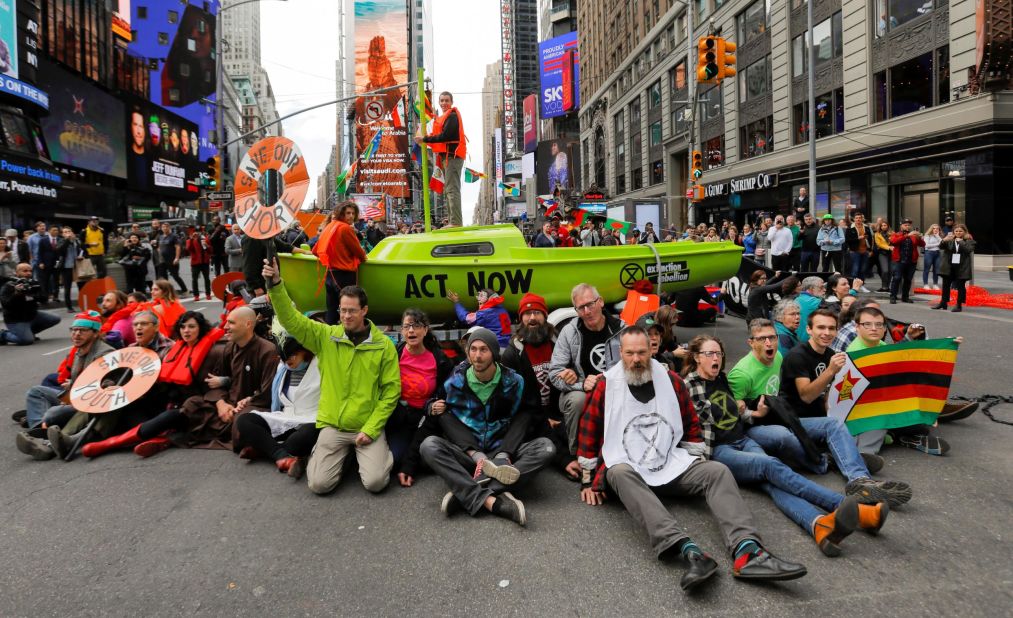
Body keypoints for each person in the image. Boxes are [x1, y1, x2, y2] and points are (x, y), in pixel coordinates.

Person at [577, 327, 808, 590]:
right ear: (621, 353)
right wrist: (588, 480)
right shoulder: (607, 384)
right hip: (631, 470)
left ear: (651, 350)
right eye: (629, 353)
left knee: (716, 471)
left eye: (642, 352)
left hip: (667, 461)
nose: (636, 359)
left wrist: (695, 456)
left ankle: (748, 552)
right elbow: (590, 428)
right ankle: (688, 550)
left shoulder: (671, 379)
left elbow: (690, 422)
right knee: (616, 472)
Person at [684, 334, 886, 557]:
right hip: (721, 452)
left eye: (719, 353)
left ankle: (819, 525)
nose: (716, 358)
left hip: (743, 440)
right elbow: (689, 422)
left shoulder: (720, 379)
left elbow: (731, 416)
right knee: (772, 466)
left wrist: (753, 413)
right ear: (696, 358)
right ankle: (854, 510)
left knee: (774, 483)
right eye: (709, 354)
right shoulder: (689, 385)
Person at [264, 258, 400, 495]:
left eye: (352, 311)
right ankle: (342, 459)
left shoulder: (383, 346)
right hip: (333, 426)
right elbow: (291, 320)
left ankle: (361, 457)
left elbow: (391, 391)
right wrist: (276, 284)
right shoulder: (326, 336)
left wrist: (371, 428)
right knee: (319, 485)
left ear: (365, 310)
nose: (346, 316)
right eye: (342, 310)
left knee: (376, 483)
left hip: (366, 426)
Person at [419, 327, 554, 525]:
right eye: (473, 349)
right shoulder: (455, 380)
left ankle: (465, 493)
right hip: (469, 455)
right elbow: (434, 404)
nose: (477, 355)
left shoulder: (515, 381)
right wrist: (430, 406)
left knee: (546, 447)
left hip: (504, 453)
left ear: (493, 353)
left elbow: (528, 414)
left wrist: (504, 454)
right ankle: (494, 501)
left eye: (484, 350)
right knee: (428, 445)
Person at [846, 306, 954, 456]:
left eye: (879, 325)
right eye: (867, 324)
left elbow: (900, 364)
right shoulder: (855, 353)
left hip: (886, 401)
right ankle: (865, 457)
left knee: (920, 423)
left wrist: (947, 345)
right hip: (865, 409)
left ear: (885, 328)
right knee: (875, 426)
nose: (874, 328)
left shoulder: (880, 346)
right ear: (857, 327)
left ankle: (898, 436)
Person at [501, 293, 576, 478]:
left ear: (545, 316)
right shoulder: (512, 354)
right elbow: (515, 403)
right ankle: (565, 460)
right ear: (521, 318)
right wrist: (544, 419)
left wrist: (572, 374)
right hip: (528, 417)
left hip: (558, 412)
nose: (532, 317)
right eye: (527, 313)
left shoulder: (559, 343)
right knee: (547, 434)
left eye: (537, 312)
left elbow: (573, 373)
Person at [548, 283, 625, 457]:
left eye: (590, 304)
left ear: (601, 302)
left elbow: (635, 364)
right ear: (576, 311)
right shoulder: (569, 332)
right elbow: (554, 373)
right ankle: (577, 454)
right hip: (582, 390)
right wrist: (581, 384)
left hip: (616, 387)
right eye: (581, 308)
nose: (587, 311)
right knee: (577, 400)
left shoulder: (621, 329)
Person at [14, 311, 111, 444]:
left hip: (90, 401)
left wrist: (71, 396)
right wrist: (70, 389)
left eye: (83, 330)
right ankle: (39, 430)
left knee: (52, 414)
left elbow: (103, 386)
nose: (76, 334)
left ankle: (46, 433)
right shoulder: (79, 349)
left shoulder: (104, 353)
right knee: (36, 392)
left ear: (95, 333)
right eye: (74, 330)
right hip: (75, 396)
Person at [232, 336, 322, 477]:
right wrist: (250, 399)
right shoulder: (282, 368)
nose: (288, 361)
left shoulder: (322, 366)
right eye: (283, 357)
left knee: (301, 438)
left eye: (292, 355)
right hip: (286, 417)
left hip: (312, 418)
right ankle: (282, 455)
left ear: (305, 350)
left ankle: (266, 450)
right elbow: (268, 392)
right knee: (244, 420)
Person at [385, 308, 453, 467]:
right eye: (406, 326)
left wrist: (437, 404)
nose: (411, 330)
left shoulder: (439, 358)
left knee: (426, 460)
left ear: (425, 330)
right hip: (401, 416)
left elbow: (448, 390)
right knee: (395, 460)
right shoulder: (395, 353)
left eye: (416, 326)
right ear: (401, 331)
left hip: (428, 416)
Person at [313, 201, 368, 324]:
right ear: (340, 213)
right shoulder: (345, 228)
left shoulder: (329, 227)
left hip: (330, 275)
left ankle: (330, 339)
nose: (351, 216)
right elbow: (360, 253)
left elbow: (315, 250)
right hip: (345, 275)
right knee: (350, 311)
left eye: (353, 213)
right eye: (348, 213)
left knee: (332, 312)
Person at [416, 91, 466, 226]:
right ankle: (452, 221)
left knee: (452, 189)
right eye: (442, 100)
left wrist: (425, 139)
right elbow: (440, 135)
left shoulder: (453, 116)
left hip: (452, 156)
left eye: (446, 100)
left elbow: (446, 136)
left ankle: (455, 222)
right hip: (448, 157)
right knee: (449, 189)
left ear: (451, 102)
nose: (444, 103)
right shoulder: (445, 117)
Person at [0, 263, 60, 345]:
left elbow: (44, 299)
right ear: (16, 273)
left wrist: (33, 292)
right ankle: (3, 335)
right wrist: (17, 294)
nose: (28, 273)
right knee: (26, 340)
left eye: (30, 271)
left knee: (55, 318)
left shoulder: (33, 283)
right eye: (25, 271)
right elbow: (5, 303)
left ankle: (28, 332)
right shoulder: (9, 285)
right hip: (16, 320)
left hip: (32, 315)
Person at [447, 287, 512, 347]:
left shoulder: (484, 313)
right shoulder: (503, 310)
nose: (478, 299)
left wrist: (457, 302)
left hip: (494, 345)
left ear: (488, 298)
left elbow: (466, 318)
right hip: (507, 345)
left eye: (481, 296)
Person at [934, 224, 975, 312]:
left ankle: (959, 305)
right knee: (945, 285)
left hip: (962, 266)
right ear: (953, 232)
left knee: (960, 286)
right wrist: (944, 240)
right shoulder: (950, 239)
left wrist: (960, 241)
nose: (958, 233)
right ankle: (943, 303)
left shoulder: (969, 240)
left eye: (960, 231)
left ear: (964, 232)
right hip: (949, 265)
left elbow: (968, 249)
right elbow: (941, 247)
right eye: (956, 231)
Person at [888, 218, 924, 304]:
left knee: (908, 279)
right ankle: (893, 296)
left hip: (911, 261)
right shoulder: (896, 234)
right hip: (899, 261)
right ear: (901, 226)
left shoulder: (913, 236)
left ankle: (905, 297)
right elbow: (893, 241)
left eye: (908, 225)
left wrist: (919, 237)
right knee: (896, 278)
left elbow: (923, 244)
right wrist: (907, 236)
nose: (907, 227)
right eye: (905, 225)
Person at [53, 227, 81, 312]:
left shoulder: (76, 241)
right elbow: (59, 250)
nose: (68, 233)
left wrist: (81, 255)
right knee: (67, 287)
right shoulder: (61, 241)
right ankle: (69, 307)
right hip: (66, 267)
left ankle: (83, 302)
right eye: (65, 232)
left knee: (81, 286)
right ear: (62, 234)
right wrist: (68, 240)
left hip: (77, 266)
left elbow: (83, 249)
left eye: (69, 231)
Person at [155, 222, 188, 293]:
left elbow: (178, 247)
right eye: (163, 227)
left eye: (166, 227)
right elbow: (158, 247)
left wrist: (177, 258)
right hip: (162, 261)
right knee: (162, 277)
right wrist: (160, 253)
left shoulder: (173, 236)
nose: (164, 228)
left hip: (171, 260)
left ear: (169, 228)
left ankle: (185, 290)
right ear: (161, 228)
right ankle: (166, 292)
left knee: (175, 276)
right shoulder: (160, 237)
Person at [794, 276, 827, 344]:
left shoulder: (796, 300)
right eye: (821, 287)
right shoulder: (815, 302)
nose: (824, 290)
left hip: (797, 341)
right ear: (811, 289)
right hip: (811, 342)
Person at [845, 213, 873, 287]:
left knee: (863, 270)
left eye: (860, 218)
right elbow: (847, 240)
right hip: (854, 251)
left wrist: (870, 250)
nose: (858, 219)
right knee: (855, 270)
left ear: (862, 219)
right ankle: (853, 286)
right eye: (856, 218)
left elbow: (870, 239)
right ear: (854, 219)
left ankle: (862, 285)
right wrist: (858, 238)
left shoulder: (866, 227)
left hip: (865, 251)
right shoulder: (850, 228)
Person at [186, 228, 213, 301]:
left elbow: (210, 250)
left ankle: (208, 294)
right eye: (194, 232)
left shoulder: (205, 239)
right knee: (194, 279)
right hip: (195, 262)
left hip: (205, 262)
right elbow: (188, 249)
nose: (196, 234)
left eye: (198, 232)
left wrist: (207, 245)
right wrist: (191, 239)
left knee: (207, 279)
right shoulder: (190, 240)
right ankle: (196, 295)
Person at [872, 220, 893, 291]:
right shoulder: (877, 234)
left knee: (890, 271)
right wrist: (888, 247)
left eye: (885, 225)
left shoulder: (892, 233)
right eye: (882, 226)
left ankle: (887, 287)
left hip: (892, 254)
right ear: (880, 227)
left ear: (888, 226)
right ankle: (884, 286)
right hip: (882, 253)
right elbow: (879, 244)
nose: (883, 227)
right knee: (885, 270)